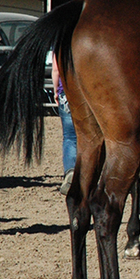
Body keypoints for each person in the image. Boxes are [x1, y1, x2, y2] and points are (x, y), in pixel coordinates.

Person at [50, 55, 76, 195]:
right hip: (87, 93)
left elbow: (56, 69)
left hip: (66, 93)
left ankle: (70, 171)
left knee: (70, 136)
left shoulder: (61, 38)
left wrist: (55, 90)